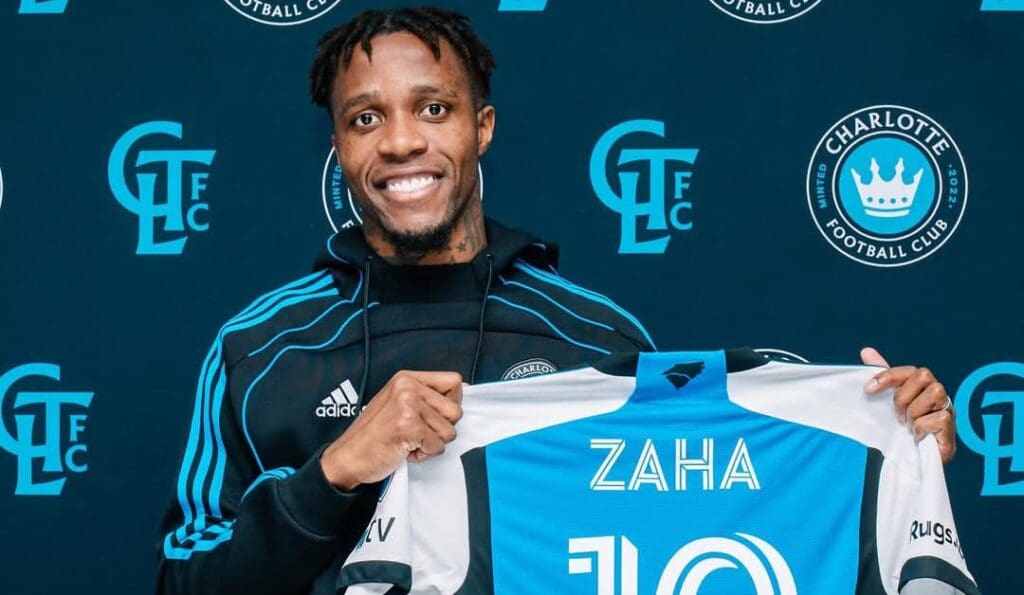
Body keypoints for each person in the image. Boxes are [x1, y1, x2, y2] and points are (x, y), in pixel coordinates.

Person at [155, 7, 957, 594]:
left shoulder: (596, 339)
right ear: (339, 145)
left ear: (482, 127)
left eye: (433, 108)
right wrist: (335, 471)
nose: (400, 141)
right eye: (366, 118)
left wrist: (886, 444)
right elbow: (182, 582)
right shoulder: (259, 348)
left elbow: (693, 536)